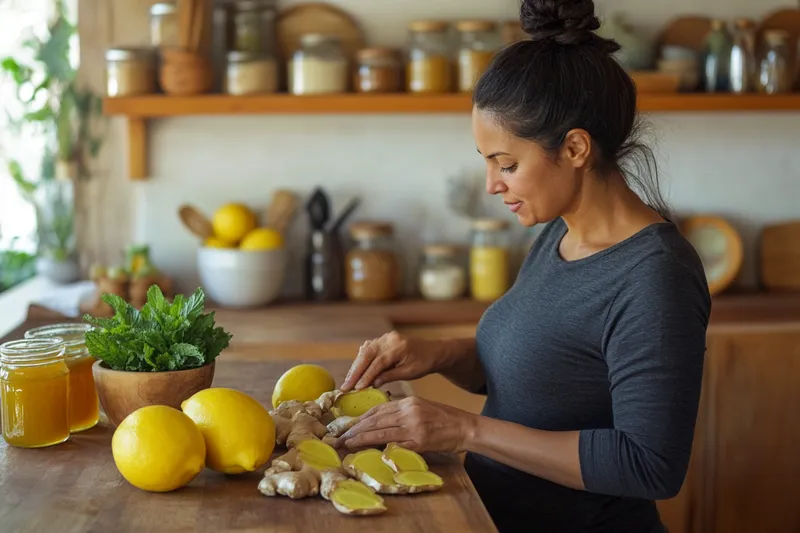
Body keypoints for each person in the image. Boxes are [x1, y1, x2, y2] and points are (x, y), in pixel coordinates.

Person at [336, 0, 711, 531]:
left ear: (576, 147)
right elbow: (542, 382)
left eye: (507, 164)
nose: (492, 185)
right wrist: (439, 353)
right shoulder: (558, 231)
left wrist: (464, 430)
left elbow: (648, 465)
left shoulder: (656, 277)